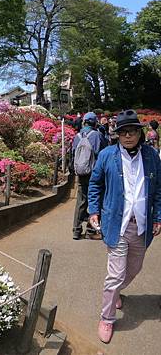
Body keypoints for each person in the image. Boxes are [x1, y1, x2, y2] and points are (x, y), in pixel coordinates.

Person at [88, 109, 161, 344]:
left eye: (133, 131)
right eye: (123, 132)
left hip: (141, 224)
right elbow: (95, 184)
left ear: (140, 133)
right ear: (117, 134)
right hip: (115, 223)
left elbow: (158, 189)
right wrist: (93, 210)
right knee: (115, 274)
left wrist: (158, 217)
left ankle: (116, 292)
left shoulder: (151, 155)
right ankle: (107, 318)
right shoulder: (107, 155)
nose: (128, 135)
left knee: (135, 268)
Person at [72, 112, 107, 240]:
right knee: (95, 201)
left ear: (84, 122)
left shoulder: (76, 136)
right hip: (95, 174)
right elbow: (104, 154)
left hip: (81, 173)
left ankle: (76, 230)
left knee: (81, 201)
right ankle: (91, 230)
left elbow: (72, 154)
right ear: (95, 123)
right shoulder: (98, 135)